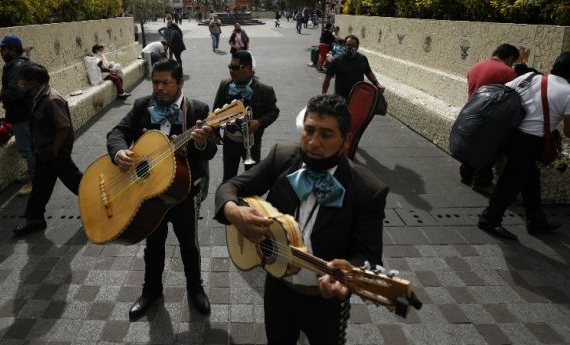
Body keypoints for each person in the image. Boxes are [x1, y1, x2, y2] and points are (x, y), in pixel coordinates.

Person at [215, 94, 388, 345]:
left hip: (325, 302)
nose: (313, 142)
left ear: (346, 141)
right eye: (309, 130)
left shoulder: (367, 189)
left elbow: (369, 257)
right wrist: (233, 211)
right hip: (278, 289)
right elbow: (229, 187)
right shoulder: (283, 157)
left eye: (326, 134)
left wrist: (348, 277)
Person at [107, 58, 217, 320]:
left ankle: (195, 289)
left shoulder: (198, 109)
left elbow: (210, 150)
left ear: (180, 82)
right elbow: (117, 132)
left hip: (183, 192)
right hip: (147, 191)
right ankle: (151, 291)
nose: (159, 88)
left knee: (188, 244)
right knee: (153, 244)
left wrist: (201, 143)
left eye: (166, 83)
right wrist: (119, 151)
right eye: (155, 82)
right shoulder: (142, 106)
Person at [478, 51, 570, 241]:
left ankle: (536, 219)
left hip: (510, 136)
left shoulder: (528, 77)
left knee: (530, 176)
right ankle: (489, 219)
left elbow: (503, 94)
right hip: (530, 142)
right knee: (510, 182)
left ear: (555, 64)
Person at [11, 63, 82, 236]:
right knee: (40, 186)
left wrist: (55, 150)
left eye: (24, 80)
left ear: (33, 82)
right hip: (45, 151)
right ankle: (35, 219)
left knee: (76, 182)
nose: (21, 83)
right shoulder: (38, 95)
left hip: (54, 153)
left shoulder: (51, 99)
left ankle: (101, 203)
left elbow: (63, 127)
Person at [213, 51, 279, 183]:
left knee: (252, 178)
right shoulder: (225, 85)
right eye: (230, 67)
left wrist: (259, 122)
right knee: (228, 176)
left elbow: (273, 112)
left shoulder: (265, 90)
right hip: (230, 141)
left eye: (236, 68)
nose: (232, 71)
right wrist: (215, 133)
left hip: (252, 143)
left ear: (249, 69)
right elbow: (216, 109)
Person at [461, 44, 520, 194]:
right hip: (490, 117)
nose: (512, 65)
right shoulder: (507, 72)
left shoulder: (476, 66)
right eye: (513, 62)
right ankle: (481, 181)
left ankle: (466, 176)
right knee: (488, 150)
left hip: (470, 111)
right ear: (511, 57)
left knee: (472, 146)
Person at [0, 35, 35, 196]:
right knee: (30, 146)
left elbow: (16, 92)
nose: (0, 51)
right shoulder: (18, 64)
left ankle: (35, 180)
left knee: (27, 148)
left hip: (22, 113)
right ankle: (32, 173)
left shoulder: (16, 66)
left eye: (3, 48)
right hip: (25, 112)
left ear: (12, 50)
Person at [322, 35, 384, 100]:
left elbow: (368, 72)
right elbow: (327, 80)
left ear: (357, 47)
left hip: (357, 97)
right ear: (344, 45)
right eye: (348, 45)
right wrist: (323, 96)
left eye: (353, 45)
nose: (350, 47)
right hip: (340, 98)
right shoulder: (337, 60)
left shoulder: (362, 59)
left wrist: (377, 84)